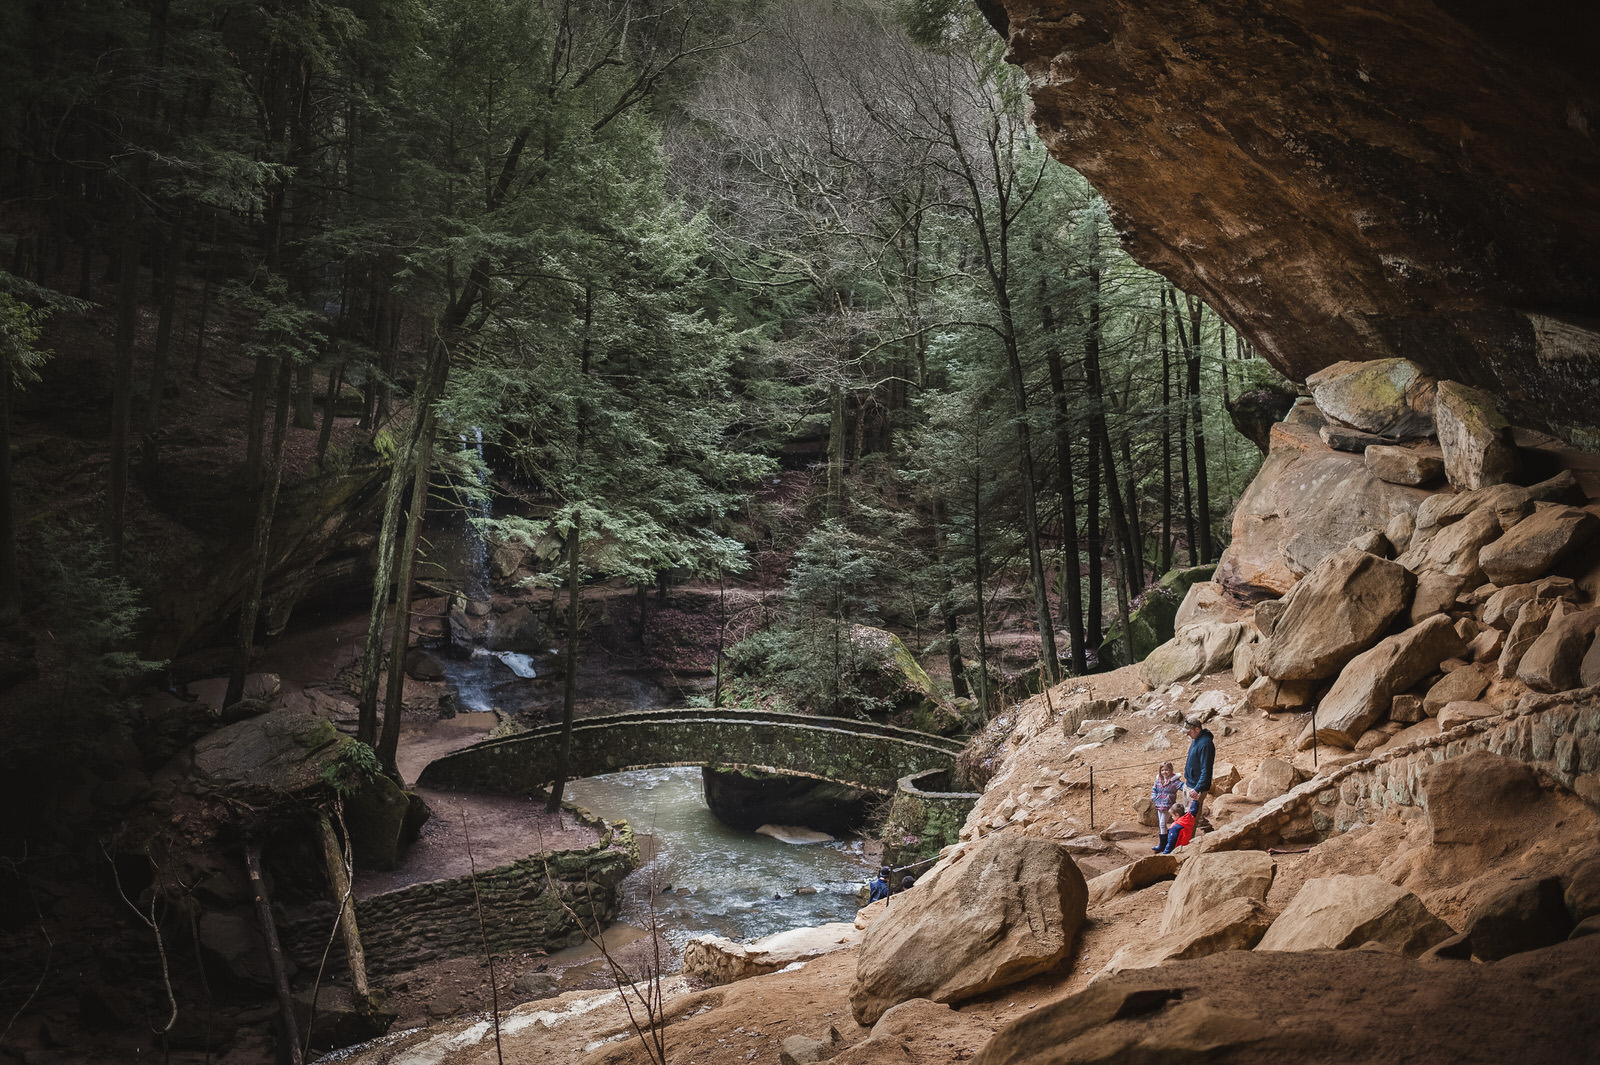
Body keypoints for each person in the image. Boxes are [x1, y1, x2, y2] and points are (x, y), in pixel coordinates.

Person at [1183, 716, 1215, 824]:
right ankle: (1207, 829)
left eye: (1189, 731)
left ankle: (1189, 840)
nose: (1187, 734)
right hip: (1191, 782)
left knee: (1191, 817)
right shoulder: (1195, 739)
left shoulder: (1205, 744)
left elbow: (1206, 770)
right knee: (1191, 813)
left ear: (1197, 729)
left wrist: (1197, 788)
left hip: (1197, 786)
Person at [1150, 761, 1185, 851]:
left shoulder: (1174, 781)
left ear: (1171, 770)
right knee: (1162, 824)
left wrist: (1190, 788)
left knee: (1162, 824)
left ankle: (1162, 845)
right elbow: (1154, 789)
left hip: (1168, 805)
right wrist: (1154, 797)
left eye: (1167, 770)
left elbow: (1183, 787)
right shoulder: (1158, 780)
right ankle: (1166, 842)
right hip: (1159, 805)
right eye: (1162, 770)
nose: (1164, 772)